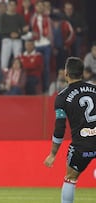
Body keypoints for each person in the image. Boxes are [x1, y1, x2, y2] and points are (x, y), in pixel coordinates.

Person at [44, 57, 96, 203]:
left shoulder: (62, 97)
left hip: (81, 146)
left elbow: (60, 127)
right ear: (83, 73)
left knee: (70, 179)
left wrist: (53, 153)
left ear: (66, 73)